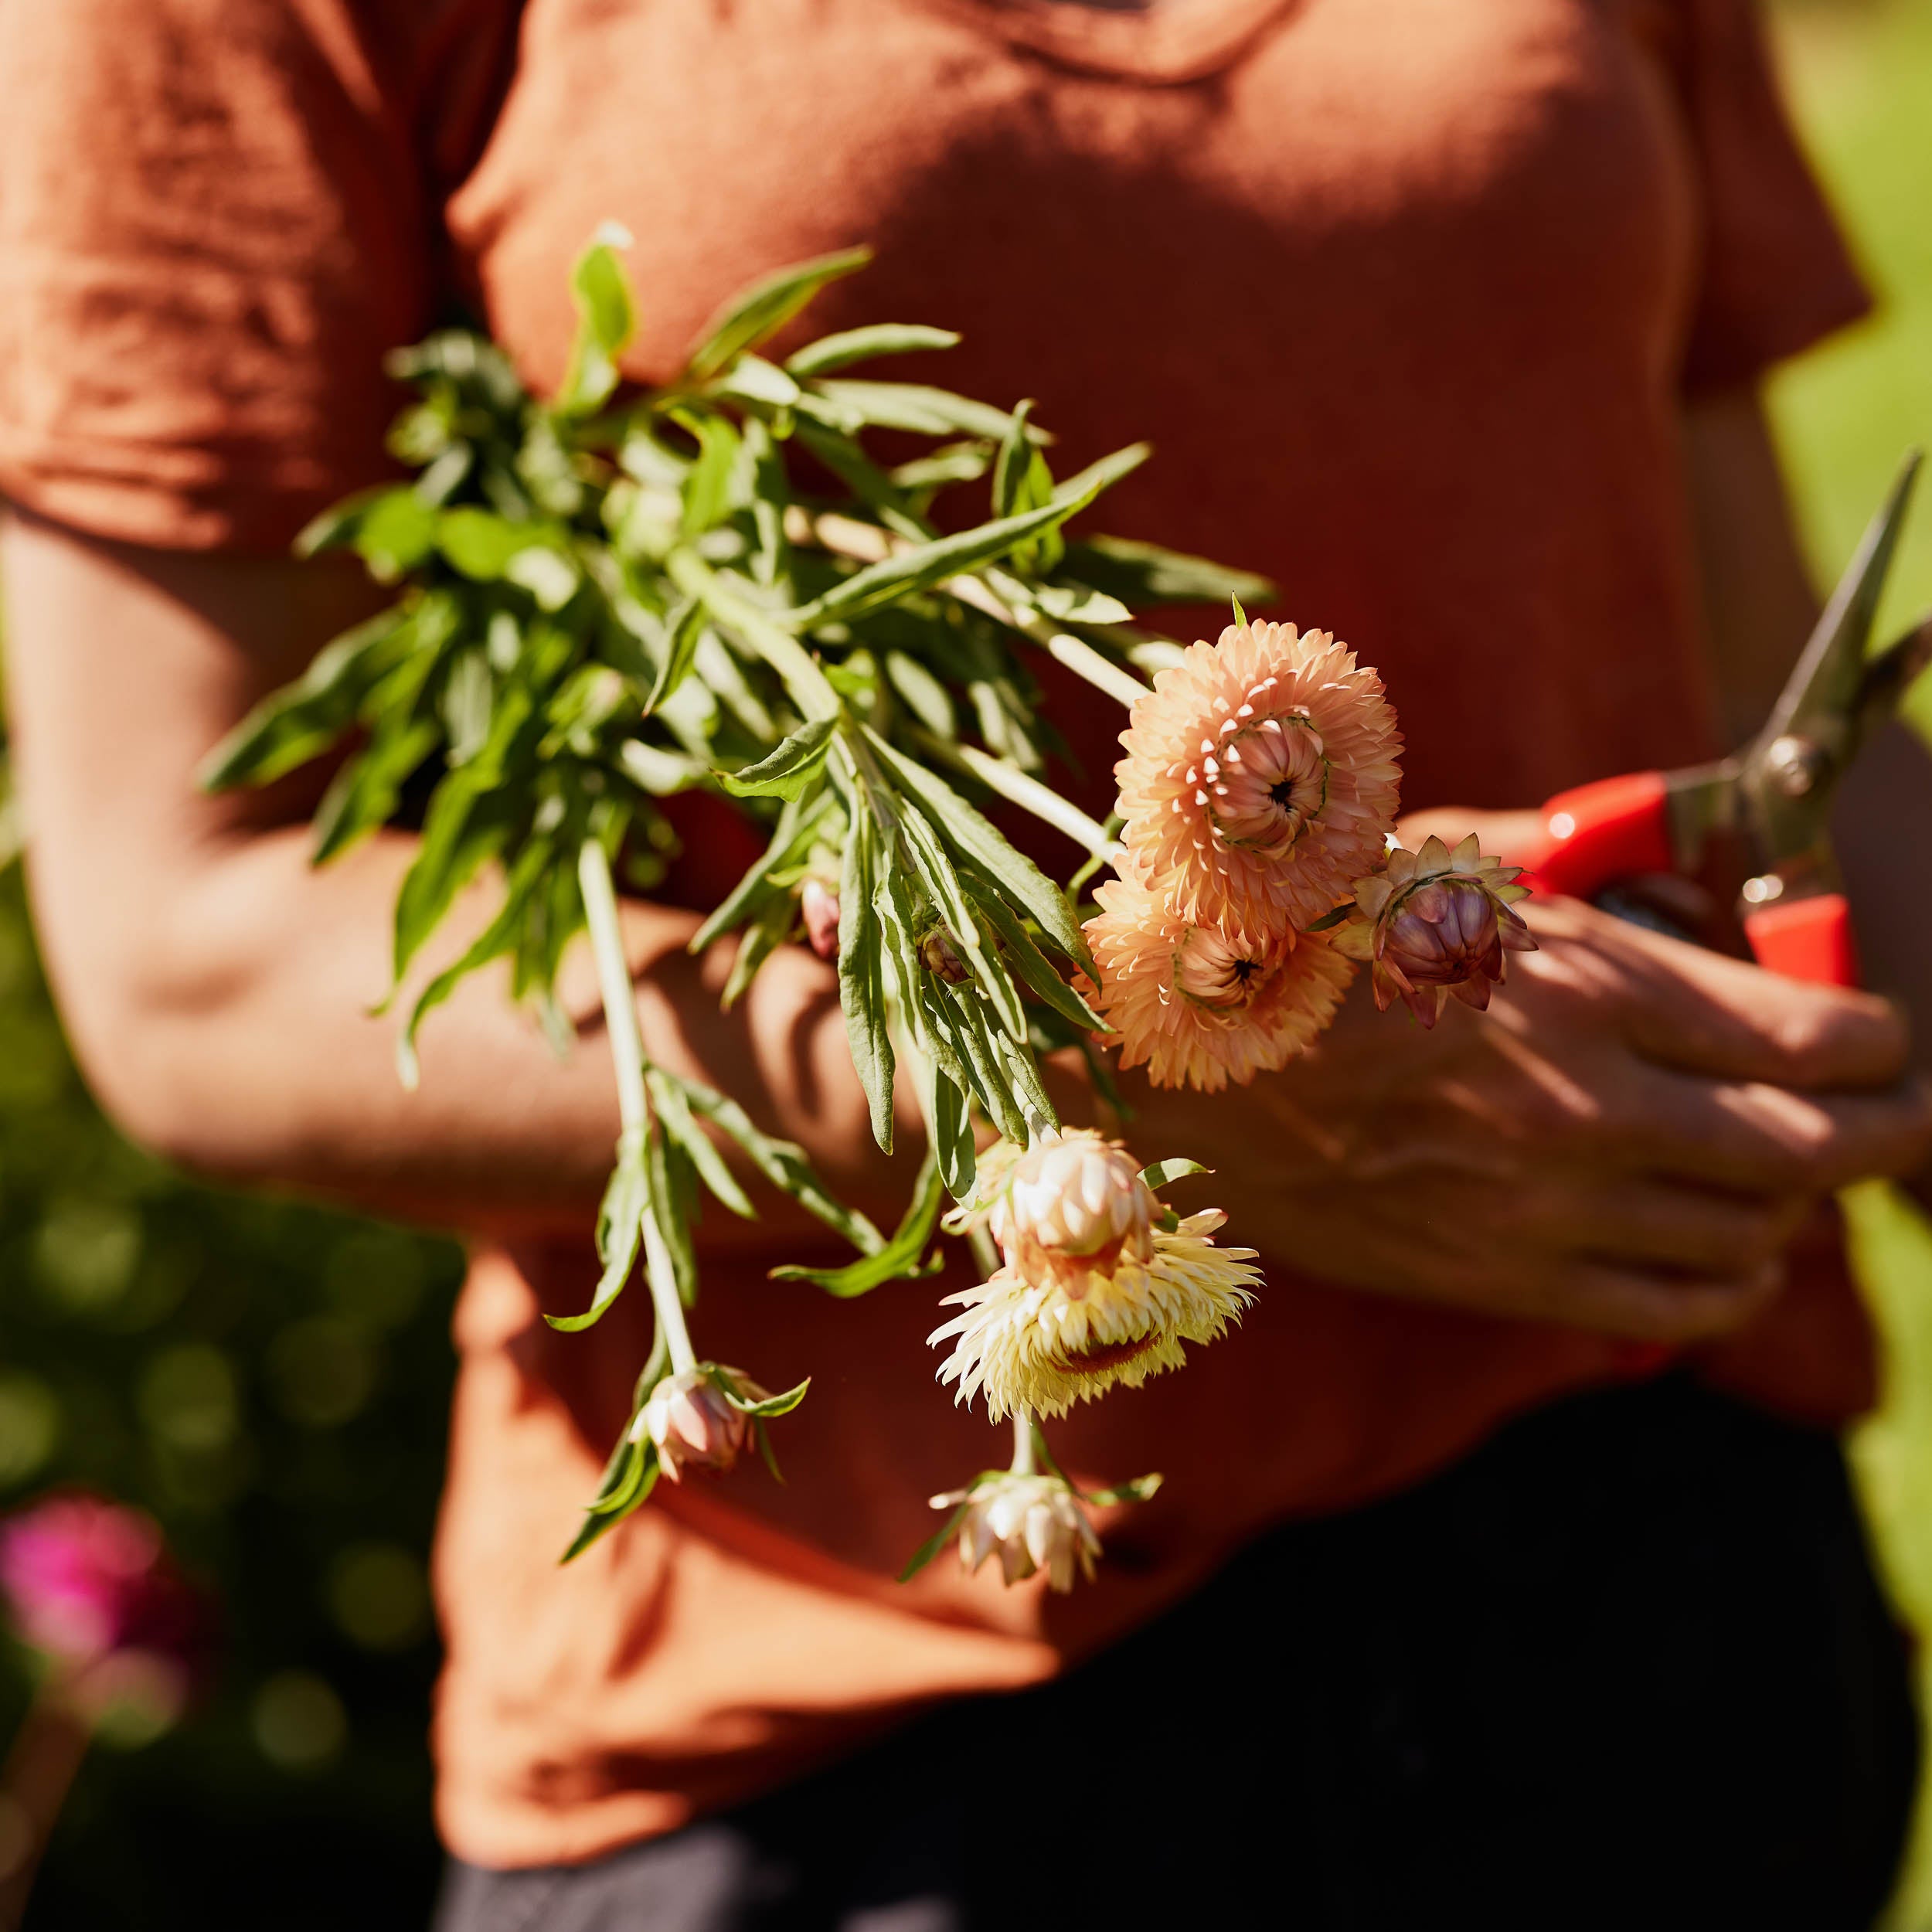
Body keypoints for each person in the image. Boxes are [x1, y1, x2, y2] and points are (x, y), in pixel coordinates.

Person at [3, 1, 1930, 1925]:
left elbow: (1767, 708)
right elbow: (194, 942)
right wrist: (1077, 1082)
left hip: (1660, 1598)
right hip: (868, 1747)